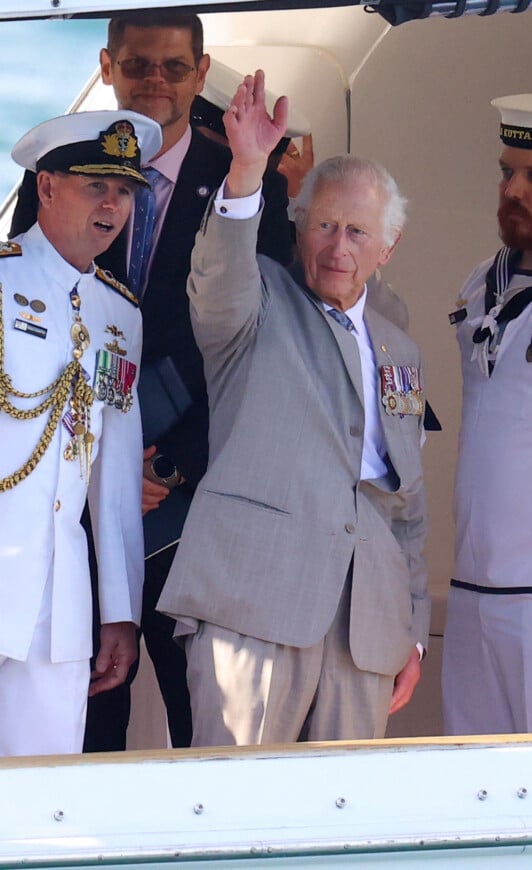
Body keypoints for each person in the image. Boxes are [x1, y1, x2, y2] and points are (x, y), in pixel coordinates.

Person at [10, 9, 294, 752]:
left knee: (175, 730)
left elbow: (258, 349)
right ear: (107, 67)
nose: (155, 81)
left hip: (185, 509)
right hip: (53, 532)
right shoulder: (34, 230)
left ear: (200, 74)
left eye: (174, 67)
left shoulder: (236, 184)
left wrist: (168, 466)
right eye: (138, 64)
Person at [158, 70, 430, 746]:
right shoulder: (255, 306)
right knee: (234, 824)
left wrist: (413, 631)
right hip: (255, 611)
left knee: (339, 831)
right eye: (326, 225)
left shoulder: (399, 343)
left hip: (365, 630)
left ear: (387, 247)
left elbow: (405, 506)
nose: (339, 248)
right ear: (298, 225)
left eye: (359, 233)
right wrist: (247, 168)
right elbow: (220, 273)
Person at [0, 109, 162, 756]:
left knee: (43, 797)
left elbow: (116, 477)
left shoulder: (120, 312)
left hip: (59, 600)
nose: (113, 204)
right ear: (45, 186)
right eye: (96, 185)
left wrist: (120, 611)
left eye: (124, 190)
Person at [442, 93, 532, 735]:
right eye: (507, 173)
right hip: (472, 588)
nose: (513, 190)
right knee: (479, 797)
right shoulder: (482, 279)